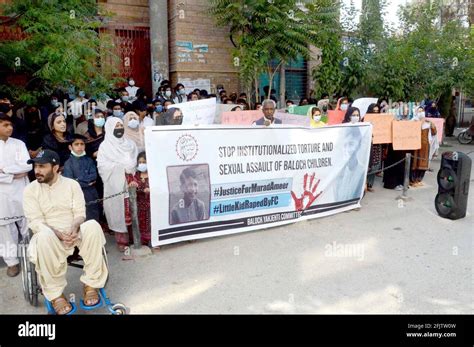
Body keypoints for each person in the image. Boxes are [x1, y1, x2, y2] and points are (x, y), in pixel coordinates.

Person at [23, 149, 108, 315]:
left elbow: (79, 213)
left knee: (92, 226)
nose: (37, 171)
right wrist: (59, 234)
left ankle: (91, 284)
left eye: (42, 166)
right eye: (35, 167)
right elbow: (36, 221)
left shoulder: (72, 185)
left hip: (73, 232)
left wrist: (74, 228)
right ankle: (56, 295)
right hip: (49, 237)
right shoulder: (30, 190)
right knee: (43, 235)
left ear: (55, 168)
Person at [97, 117, 137, 251]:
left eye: (121, 125)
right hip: (115, 185)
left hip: (132, 183)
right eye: (116, 126)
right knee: (119, 213)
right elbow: (102, 166)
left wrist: (130, 167)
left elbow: (136, 161)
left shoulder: (130, 144)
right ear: (109, 128)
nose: (119, 128)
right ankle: (122, 241)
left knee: (134, 211)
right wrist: (121, 167)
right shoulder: (105, 146)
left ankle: (135, 238)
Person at [0, 114, 31, 277]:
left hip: (21, 190)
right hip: (2, 196)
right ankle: (12, 262)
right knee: (6, 230)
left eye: (10, 125)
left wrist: (4, 170)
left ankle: (32, 257)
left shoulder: (19, 144)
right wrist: (13, 174)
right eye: (5, 125)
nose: (10, 128)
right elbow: (19, 170)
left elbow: (27, 167)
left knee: (27, 224)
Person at [63, 134, 100, 222]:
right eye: (76, 144)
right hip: (76, 195)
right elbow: (70, 182)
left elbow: (94, 176)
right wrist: (86, 182)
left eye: (82, 144)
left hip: (91, 194)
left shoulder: (89, 160)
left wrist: (78, 179)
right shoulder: (68, 163)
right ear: (70, 147)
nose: (79, 146)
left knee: (93, 220)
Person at [334, 127, 366, 202]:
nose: (347, 149)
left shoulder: (361, 171)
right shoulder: (339, 171)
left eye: (351, 144)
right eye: (345, 145)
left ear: (358, 145)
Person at [126, 152, 151, 245]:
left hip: (151, 206)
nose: (142, 164)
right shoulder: (136, 175)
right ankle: (139, 241)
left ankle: (151, 241)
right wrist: (133, 184)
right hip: (139, 207)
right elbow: (132, 185)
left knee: (150, 224)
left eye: (144, 162)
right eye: (140, 162)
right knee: (138, 224)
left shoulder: (154, 175)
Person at [410, 109, 437, 187]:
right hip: (415, 146)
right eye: (419, 111)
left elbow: (434, 133)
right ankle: (412, 180)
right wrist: (419, 123)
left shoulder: (428, 123)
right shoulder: (413, 121)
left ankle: (419, 179)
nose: (421, 113)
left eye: (422, 111)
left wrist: (432, 124)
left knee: (423, 163)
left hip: (425, 146)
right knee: (414, 163)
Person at [365, 104, 382, 192]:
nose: (375, 113)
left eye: (377, 111)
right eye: (373, 111)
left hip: (377, 145)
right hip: (369, 145)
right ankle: (364, 184)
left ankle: (370, 184)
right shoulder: (365, 119)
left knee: (376, 164)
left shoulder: (381, 120)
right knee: (368, 165)